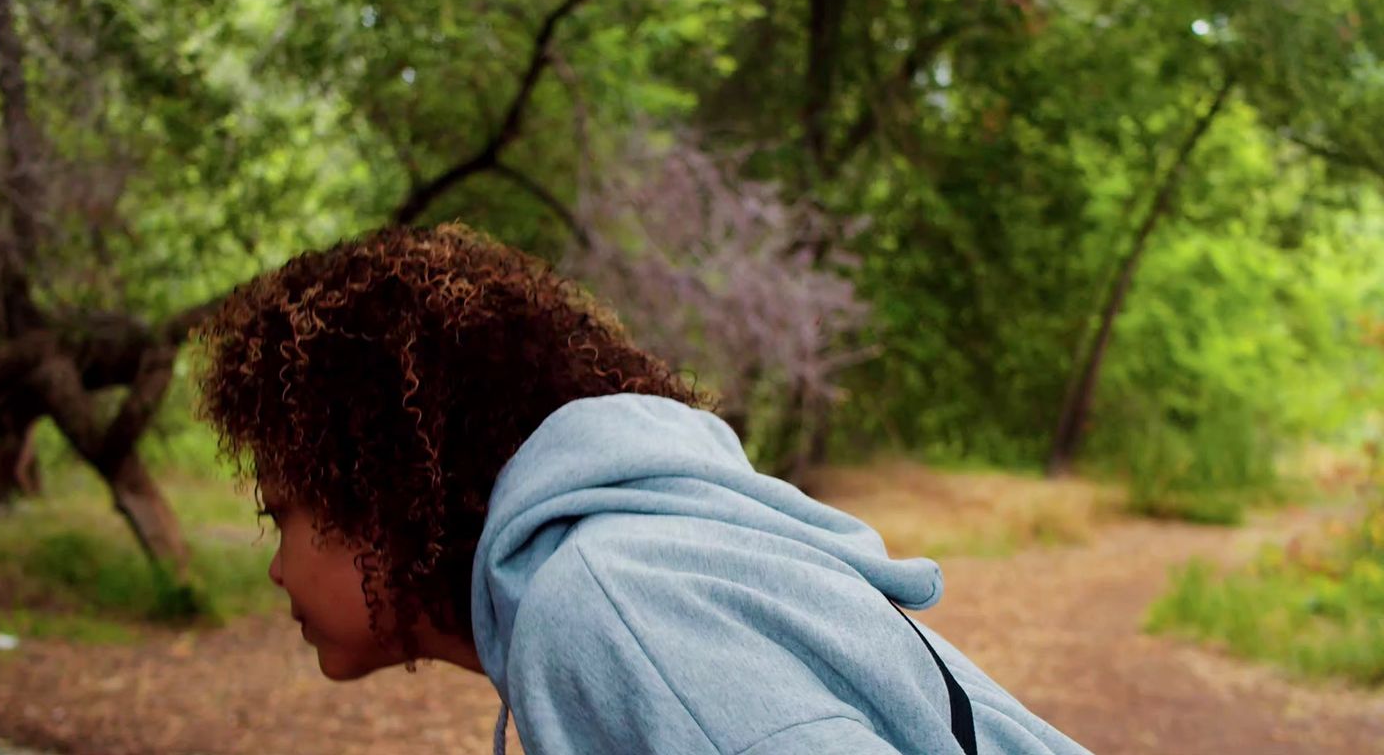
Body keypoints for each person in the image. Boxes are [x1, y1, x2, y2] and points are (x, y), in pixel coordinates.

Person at [195, 222, 1091, 755]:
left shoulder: (605, 605)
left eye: (285, 517)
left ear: (382, 497)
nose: (276, 570)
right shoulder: (629, 570)